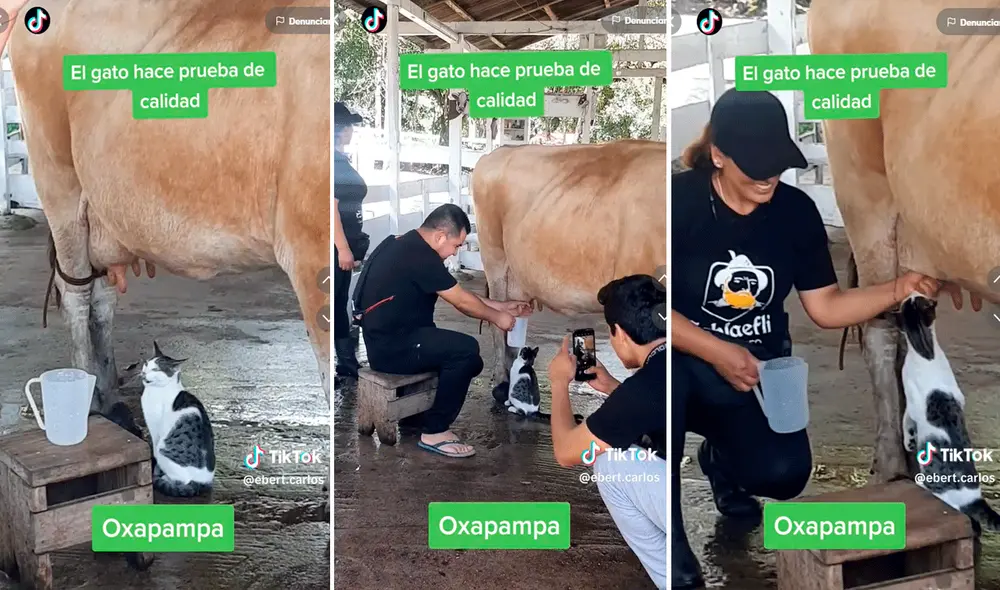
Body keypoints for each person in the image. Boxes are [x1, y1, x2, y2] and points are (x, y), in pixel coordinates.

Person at [670, 88, 961, 589]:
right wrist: (717, 350)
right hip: (680, 361)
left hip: (755, 373)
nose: (768, 176)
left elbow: (825, 306)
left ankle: (720, 457)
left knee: (784, 474)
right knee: (662, 411)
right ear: (718, 155)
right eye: (754, 164)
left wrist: (899, 287)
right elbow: (651, 307)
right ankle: (670, 540)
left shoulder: (795, 211)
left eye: (776, 164)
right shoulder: (679, 203)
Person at [354, 204, 532, 458]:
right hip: (392, 350)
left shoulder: (402, 243)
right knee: (465, 351)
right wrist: (498, 318)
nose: (454, 253)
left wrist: (502, 306)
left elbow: (457, 293)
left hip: (389, 341)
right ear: (440, 236)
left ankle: (416, 417)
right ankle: (435, 431)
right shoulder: (421, 256)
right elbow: (462, 303)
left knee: (470, 361)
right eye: (456, 246)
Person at [547, 275, 666, 589]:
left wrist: (558, 383)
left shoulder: (644, 389)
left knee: (609, 461)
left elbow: (567, 452)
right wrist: (613, 388)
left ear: (622, 335)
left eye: (610, 333)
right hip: (734, 489)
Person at [333, 101, 368, 388]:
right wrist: (344, 248)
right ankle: (343, 363)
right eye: (349, 126)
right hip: (334, 248)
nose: (351, 131)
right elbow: (330, 206)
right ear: (340, 129)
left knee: (337, 302)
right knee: (331, 304)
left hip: (342, 245)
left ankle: (345, 363)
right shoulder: (332, 163)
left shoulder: (338, 160)